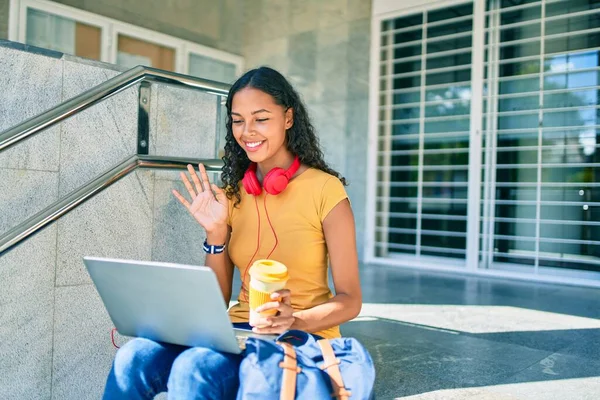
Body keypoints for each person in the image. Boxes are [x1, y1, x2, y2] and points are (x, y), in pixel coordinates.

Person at [102, 66, 362, 399]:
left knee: (194, 367)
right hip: (237, 330)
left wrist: (292, 321)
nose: (247, 131)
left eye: (260, 118)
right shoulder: (235, 193)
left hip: (301, 334)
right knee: (132, 357)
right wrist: (216, 233)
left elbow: (350, 300)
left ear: (288, 118)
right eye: (238, 120)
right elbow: (219, 297)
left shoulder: (326, 190)